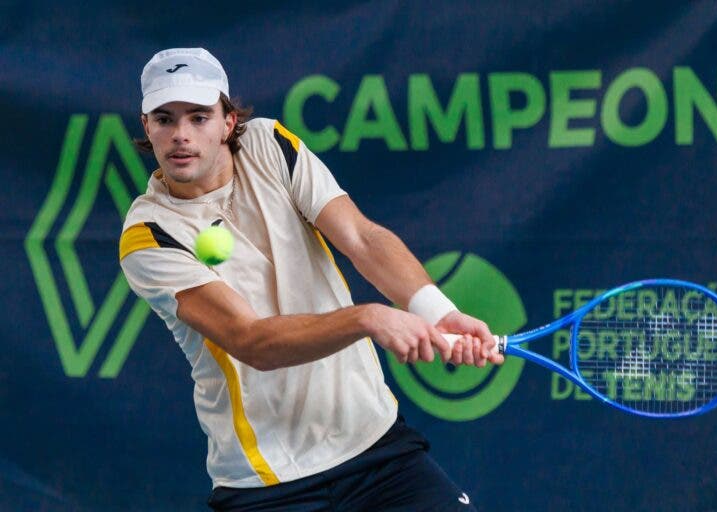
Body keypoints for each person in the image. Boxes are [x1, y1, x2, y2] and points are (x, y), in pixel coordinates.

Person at [119, 47, 504, 511]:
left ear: (227, 121)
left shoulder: (269, 144)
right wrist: (369, 318)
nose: (180, 135)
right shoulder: (149, 234)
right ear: (147, 127)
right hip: (268, 483)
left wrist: (437, 312)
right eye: (164, 119)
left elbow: (361, 238)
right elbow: (251, 341)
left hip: (374, 446)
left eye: (198, 117)